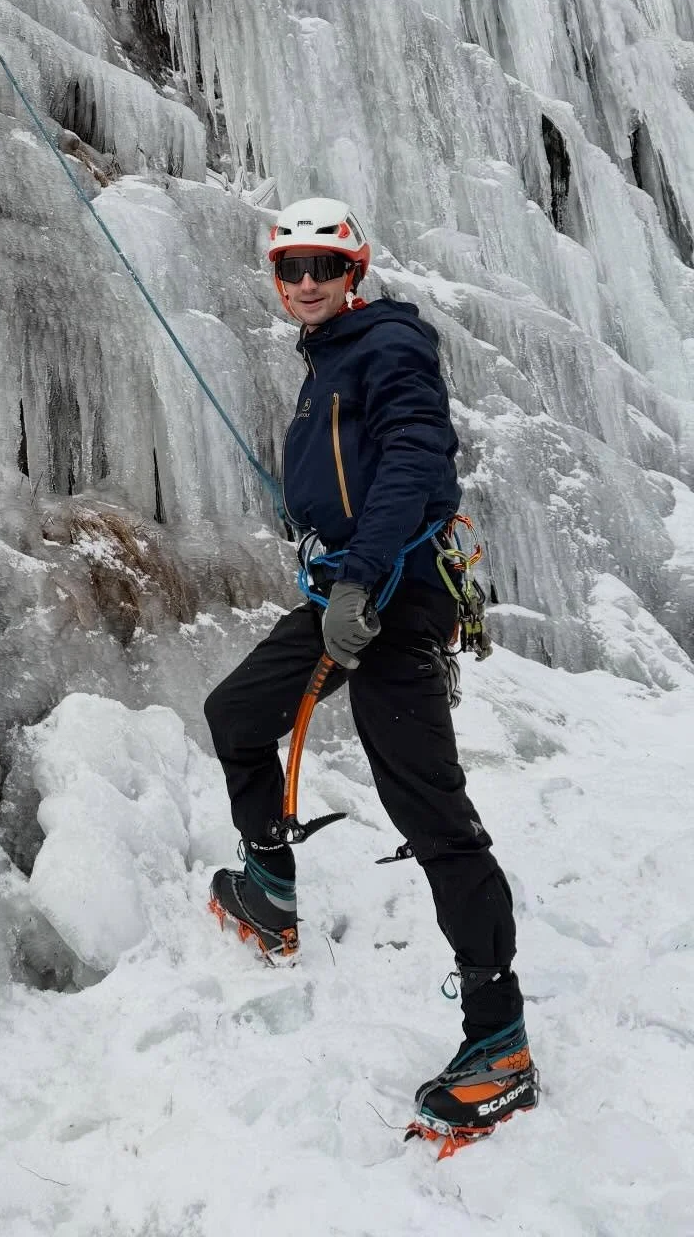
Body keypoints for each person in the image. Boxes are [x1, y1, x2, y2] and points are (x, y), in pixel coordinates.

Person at [203, 198, 538, 1145]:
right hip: (346, 591)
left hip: (392, 595)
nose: (305, 282)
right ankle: (269, 887)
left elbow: (412, 463)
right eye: (290, 268)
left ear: (356, 270)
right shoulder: (325, 364)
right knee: (236, 712)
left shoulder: (388, 346)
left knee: (430, 807)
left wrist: (360, 583)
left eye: (323, 266)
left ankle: (500, 1040)